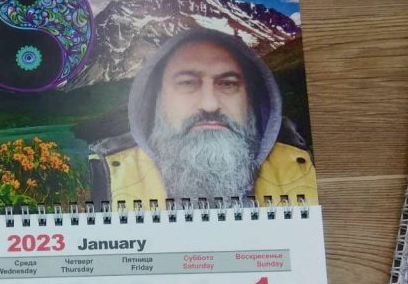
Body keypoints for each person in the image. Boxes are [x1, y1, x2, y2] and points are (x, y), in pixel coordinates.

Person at [89, 29, 318, 206]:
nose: (210, 104)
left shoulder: (307, 170)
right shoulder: (104, 177)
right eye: (187, 83)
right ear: (156, 100)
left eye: (228, 84)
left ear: (251, 99)